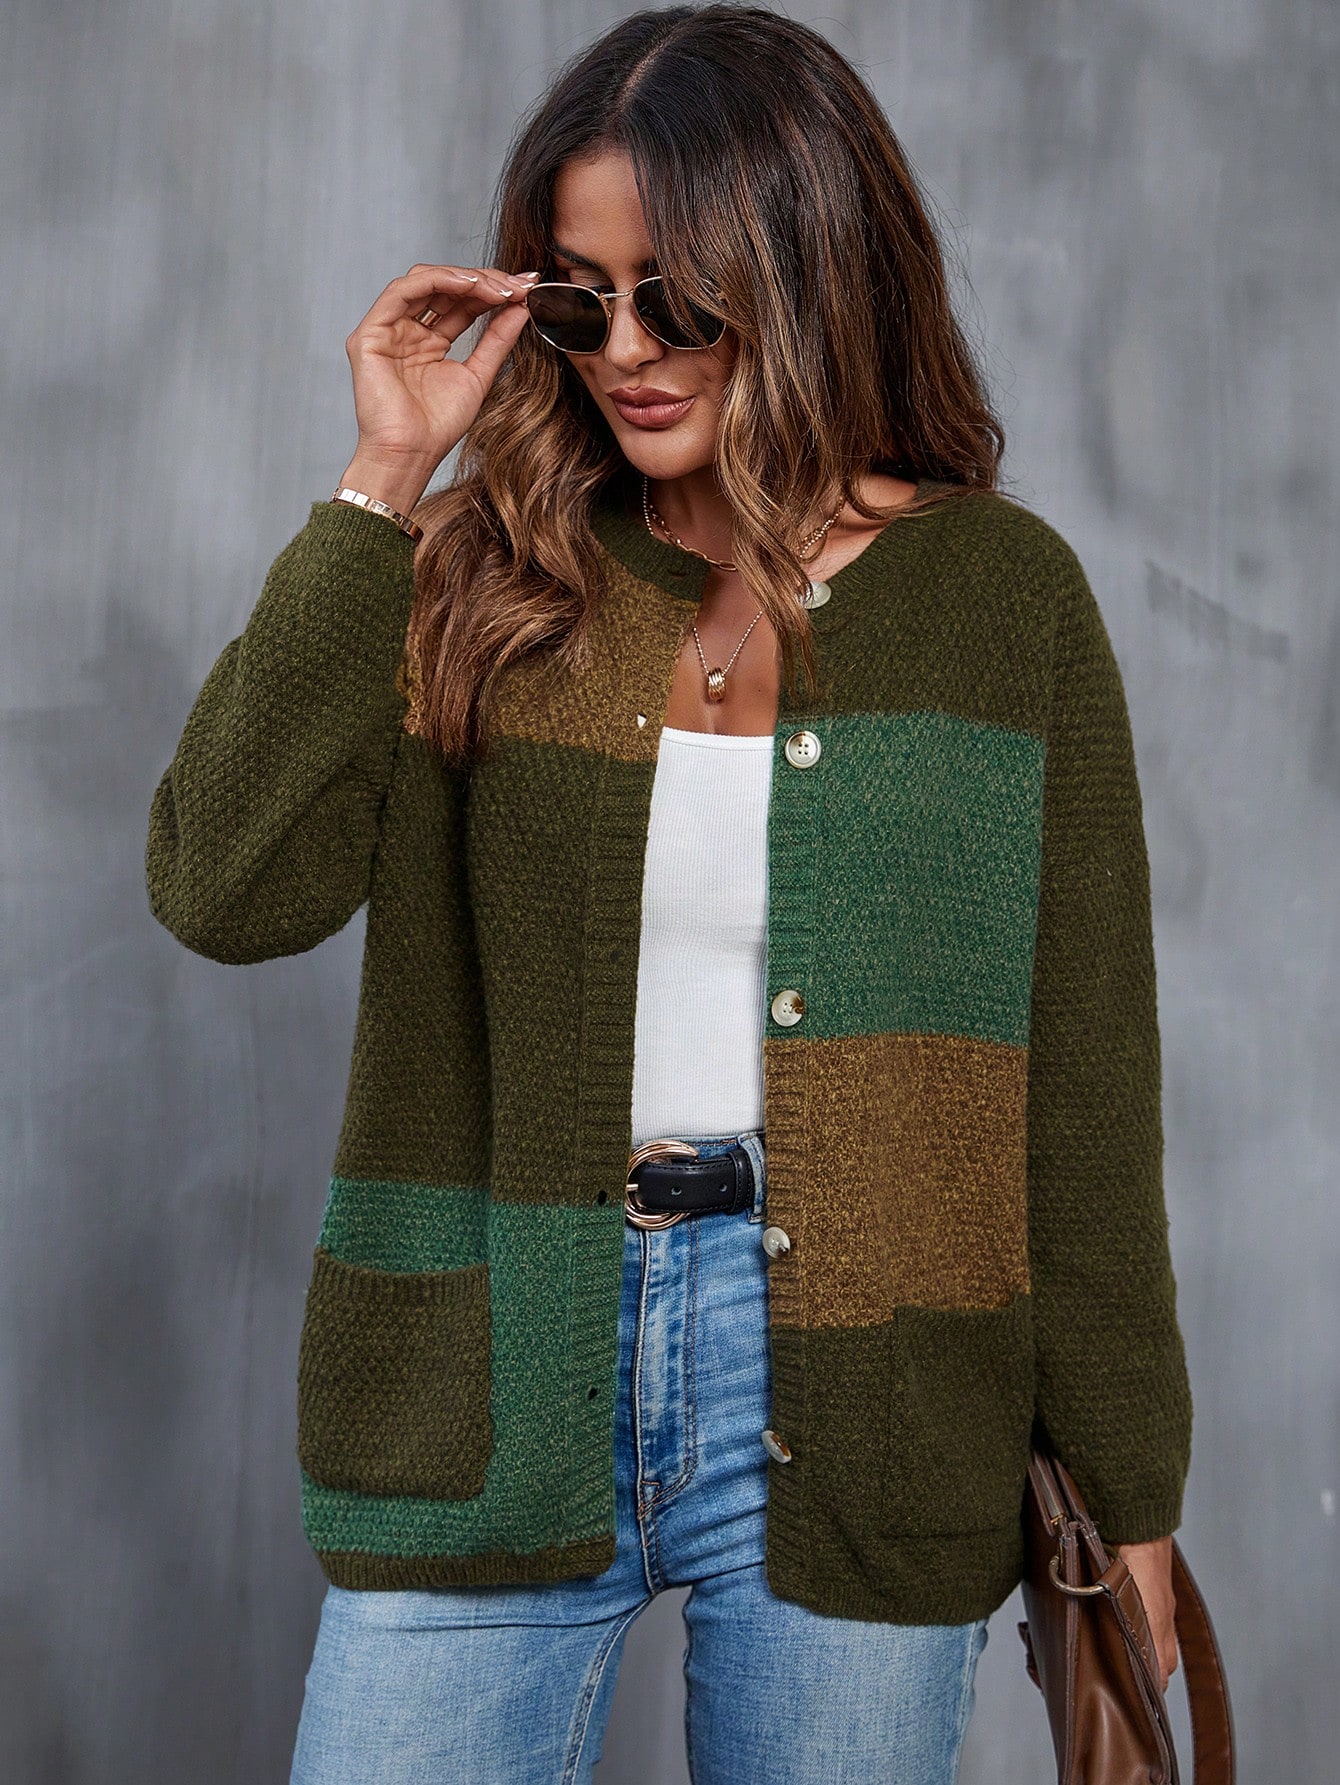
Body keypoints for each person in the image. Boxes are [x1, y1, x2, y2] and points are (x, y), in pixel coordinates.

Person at [144, 6, 1194, 1781]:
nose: (625, 351)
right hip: (496, 1364)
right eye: (581, 300)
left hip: (865, 1397)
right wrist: (382, 481)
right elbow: (218, 883)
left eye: (679, 302)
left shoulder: (1002, 603)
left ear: (812, 271)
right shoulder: (481, 573)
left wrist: (1130, 1492)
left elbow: (1084, 1096)